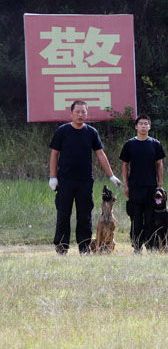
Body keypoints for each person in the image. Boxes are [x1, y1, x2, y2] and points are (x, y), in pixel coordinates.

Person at [48, 100, 122, 255]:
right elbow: (54, 154)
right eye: (77, 112)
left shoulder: (91, 132)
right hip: (65, 181)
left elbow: (100, 154)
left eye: (83, 112)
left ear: (87, 113)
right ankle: (61, 248)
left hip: (85, 181)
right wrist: (53, 177)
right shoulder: (62, 131)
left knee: (84, 216)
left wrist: (111, 176)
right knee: (63, 215)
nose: (80, 115)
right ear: (71, 113)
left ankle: (84, 248)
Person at [119, 114, 166, 254]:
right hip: (135, 187)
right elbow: (124, 166)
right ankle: (137, 247)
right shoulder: (129, 144)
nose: (144, 126)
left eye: (146, 124)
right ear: (136, 126)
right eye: (141, 124)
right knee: (136, 218)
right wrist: (126, 185)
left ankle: (151, 246)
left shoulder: (155, 144)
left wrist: (160, 183)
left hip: (151, 187)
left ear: (149, 127)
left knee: (150, 218)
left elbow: (159, 164)